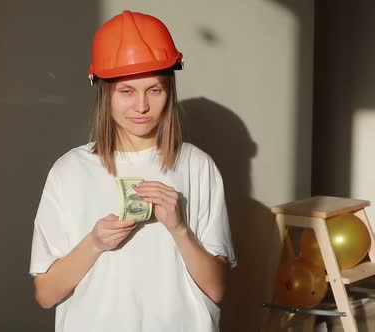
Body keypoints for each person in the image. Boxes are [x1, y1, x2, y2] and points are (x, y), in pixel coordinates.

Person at [29, 10, 236, 332]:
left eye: (154, 90)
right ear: (105, 93)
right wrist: (95, 242)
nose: (141, 106)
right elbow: (45, 294)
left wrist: (179, 228)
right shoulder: (69, 171)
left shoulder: (197, 165)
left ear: (170, 91)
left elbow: (218, 290)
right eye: (126, 91)